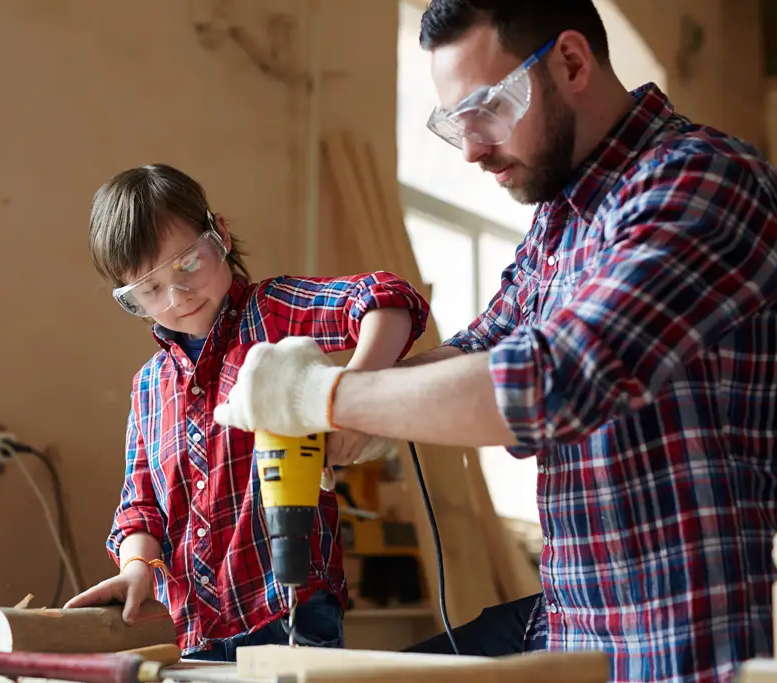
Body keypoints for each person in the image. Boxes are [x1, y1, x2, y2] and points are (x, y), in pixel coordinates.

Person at [211, 1, 777, 681]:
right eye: (456, 125)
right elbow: (481, 345)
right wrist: (350, 411)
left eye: (485, 109)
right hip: (576, 626)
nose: (474, 147)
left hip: (678, 645)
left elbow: (549, 383)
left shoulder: (704, 179)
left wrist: (323, 393)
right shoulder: (560, 220)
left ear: (571, 61)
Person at [64, 163, 431, 661]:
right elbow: (140, 505)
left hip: (289, 611)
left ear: (222, 235)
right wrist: (136, 570)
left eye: (188, 265)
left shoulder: (271, 312)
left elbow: (390, 299)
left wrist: (352, 401)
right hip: (192, 629)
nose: (178, 297)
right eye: (150, 291)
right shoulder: (149, 386)